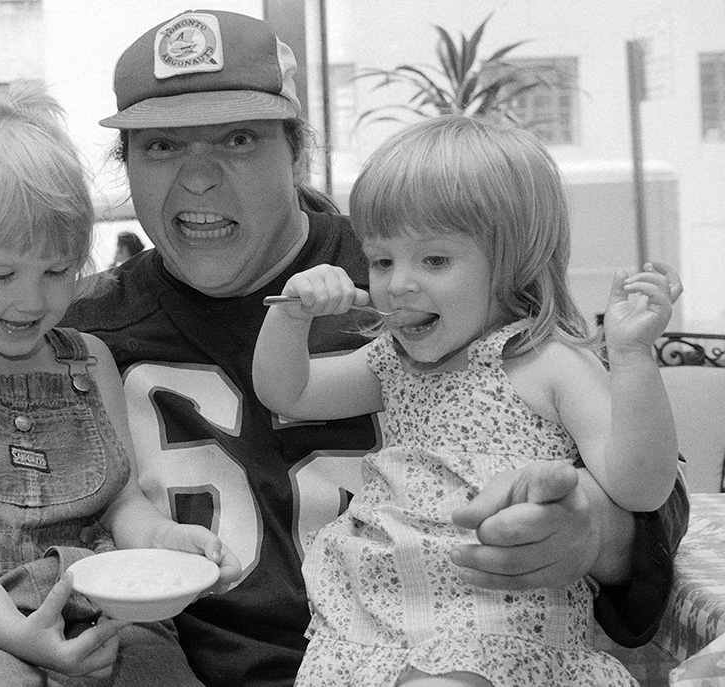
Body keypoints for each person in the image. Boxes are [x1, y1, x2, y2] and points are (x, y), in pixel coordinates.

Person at [0, 10, 688, 687]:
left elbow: (641, 486)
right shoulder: (67, 333)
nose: (198, 175)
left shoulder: (420, 285)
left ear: (298, 150)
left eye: (240, 138)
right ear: (127, 169)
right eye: (161, 145)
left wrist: (596, 533)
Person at [252, 114, 679, 686]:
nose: (398, 283)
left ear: (514, 261)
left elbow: (640, 487)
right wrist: (291, 316)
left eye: (434, 260)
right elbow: (288, 392)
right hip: (375, 623)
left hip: (497, 621)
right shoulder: (393, 363)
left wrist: (631, 359)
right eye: (382, 260)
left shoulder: (546, 361)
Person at [0, 79, 239, 685]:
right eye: (1, 273)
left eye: (57, 270)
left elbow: (120, 500)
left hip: (96, 601)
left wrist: (164, 538)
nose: (32, 300)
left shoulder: (89, 360)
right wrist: (15, 633)